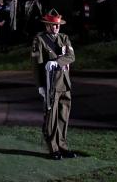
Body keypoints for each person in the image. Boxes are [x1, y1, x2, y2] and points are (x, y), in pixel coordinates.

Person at [31, 10, 76, 160]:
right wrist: (40, 85)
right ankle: (53, 148)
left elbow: (71, 57)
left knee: (64, 116)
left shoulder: (64, 38)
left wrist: (56, 62)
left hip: (65, 82)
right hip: (50, 84)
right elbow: (36, 64)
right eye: (53, 25)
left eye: (58, 25)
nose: (56, 28)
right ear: (47, 25)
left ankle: (62, 146)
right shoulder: (40, 40)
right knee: (51, 117)